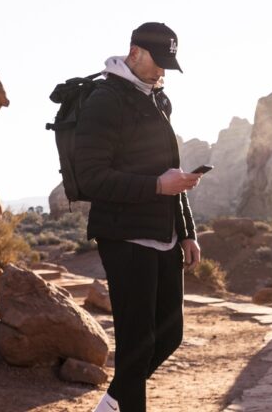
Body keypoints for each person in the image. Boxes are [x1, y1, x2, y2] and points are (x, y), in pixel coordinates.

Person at [74, 22, 203, 412]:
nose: (162, 71)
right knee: (137, 343)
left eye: (168, 63)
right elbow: (91, 177)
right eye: (157, 62)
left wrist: (187, 232)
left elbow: (170, 171)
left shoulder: (158, 100)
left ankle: (112, 401)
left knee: (170, 335)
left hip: (163, 234)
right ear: (134, 53)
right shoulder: (105, 99)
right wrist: (156, 187)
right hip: (125, 236)